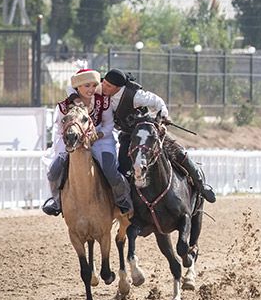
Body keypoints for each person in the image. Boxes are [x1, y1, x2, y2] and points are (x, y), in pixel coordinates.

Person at [102, 68, 216, 203]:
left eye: (108, 86)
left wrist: (162, 119)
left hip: (148, 133)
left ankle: (201, 185)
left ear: (118, 87)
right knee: (122, 167)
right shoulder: (101, 89)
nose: (103, 87)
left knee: (179, 153)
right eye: (103, 83)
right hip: (128, 135)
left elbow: (158, 102)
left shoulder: (135, 96)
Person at [41, 67, 133, 216]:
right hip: (70, 141)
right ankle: (56, 201)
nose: (91, 89)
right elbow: (59, 128)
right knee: (53, 171)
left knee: (110, 171)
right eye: (87, 86)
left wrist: (95, 136)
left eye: (94, 85)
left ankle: (122, 200)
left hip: (100, 139)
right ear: (77, 87)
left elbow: (108, 125)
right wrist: (72, 139)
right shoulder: (64, 106)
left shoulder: (103, 102)